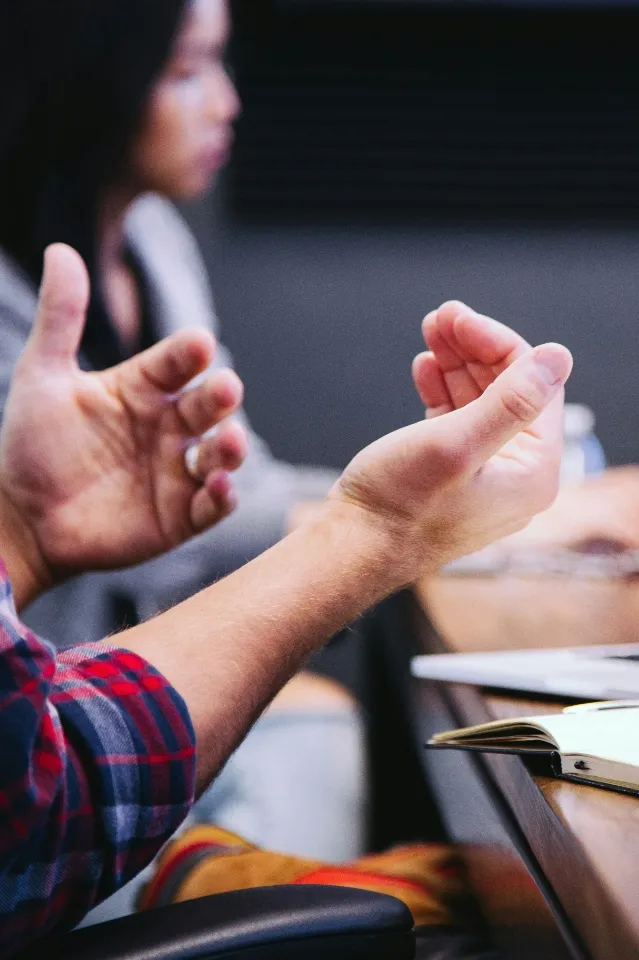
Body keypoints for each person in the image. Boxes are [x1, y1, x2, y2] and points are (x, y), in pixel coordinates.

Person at [0, 241, 572, 955]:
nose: (229, 117)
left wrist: (22, 536)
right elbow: (35, 799)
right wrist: (377, 530)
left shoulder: (155, 236)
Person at [0, 0, 363, 869]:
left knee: (322, 723)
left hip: (121, 680)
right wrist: (390, 523)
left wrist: (395, 513)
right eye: (187, 69)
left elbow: (226, 478)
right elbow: (180, 538)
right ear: (92, 82)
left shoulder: (153, 241)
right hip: (46, 740)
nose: (227, 103)